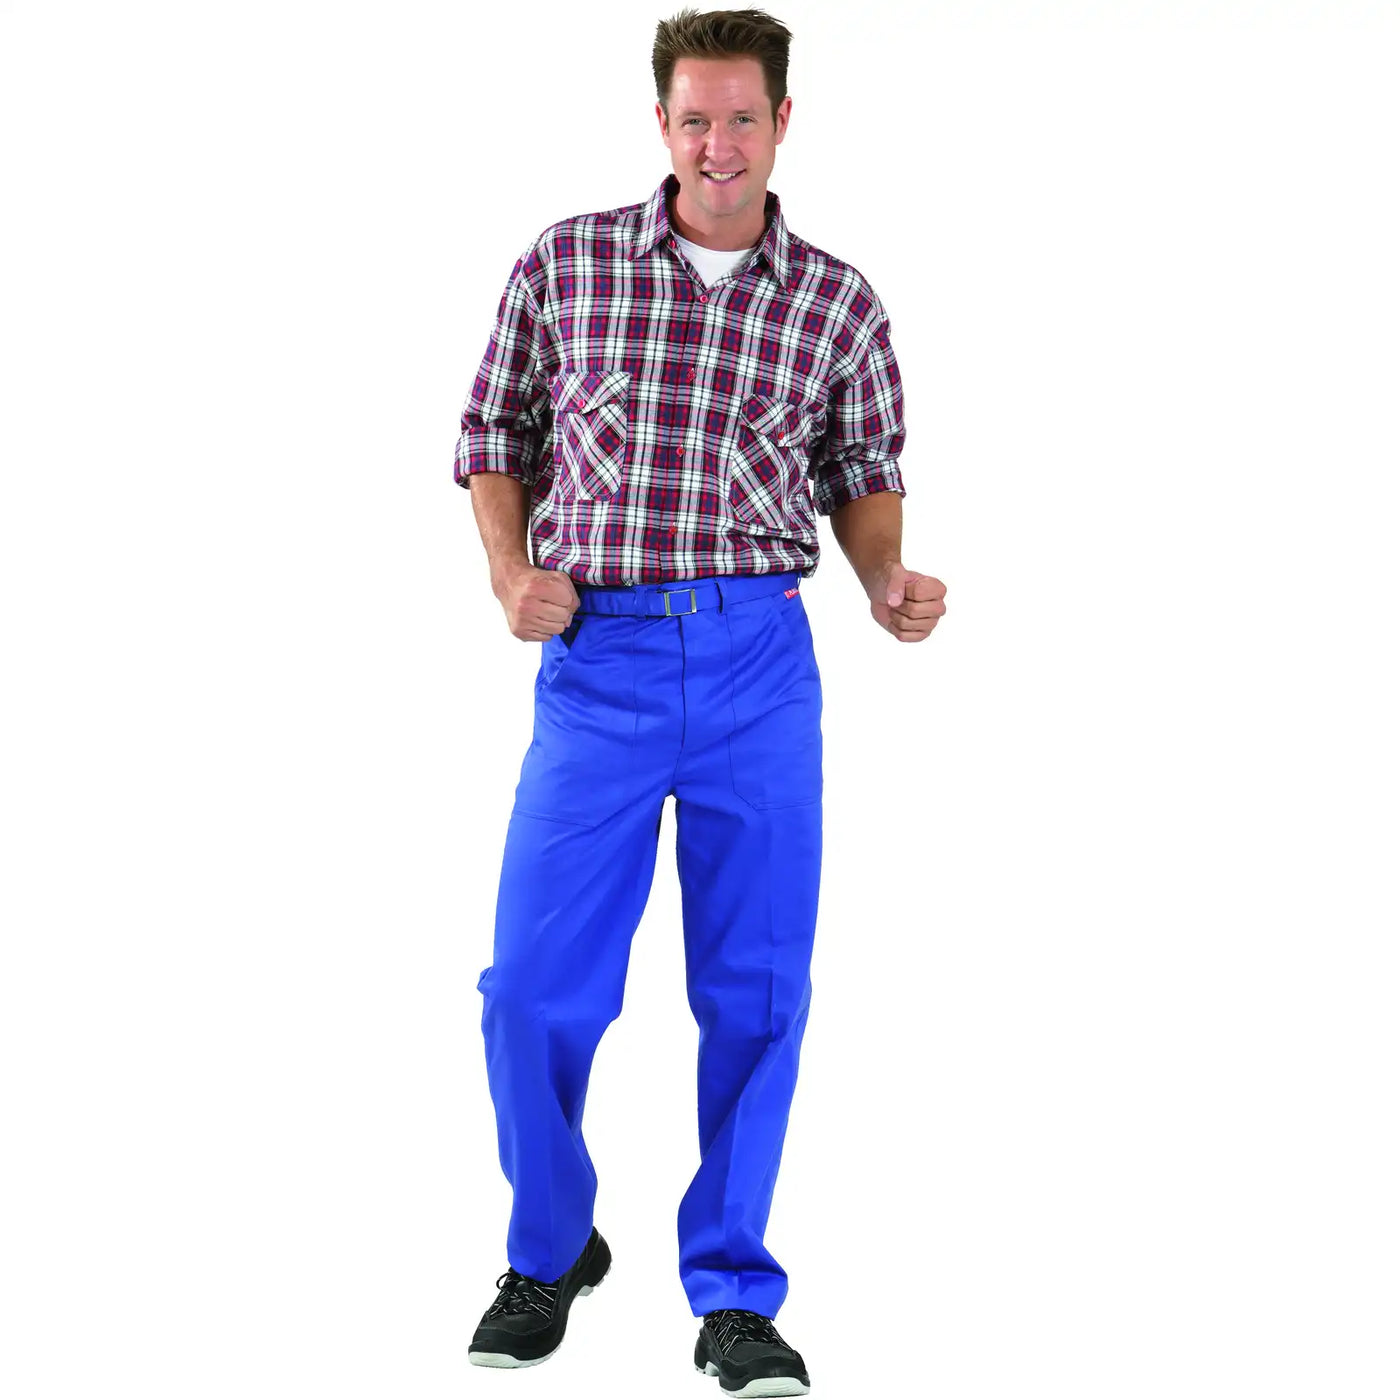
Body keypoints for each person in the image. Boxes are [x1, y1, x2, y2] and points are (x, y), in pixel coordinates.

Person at [452, 8, 946, 1395]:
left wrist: (884, 576)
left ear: (782, 122)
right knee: (530, 988)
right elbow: (494, 431)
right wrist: (509, 572)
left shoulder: (837, 301)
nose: (716, 144)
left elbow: (865, 469)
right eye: (693, 118)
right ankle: (551, 1249)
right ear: (659, 123)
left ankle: (732, 1289)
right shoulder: (567, 262)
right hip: (598, 663)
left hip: (757, 665)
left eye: (741, 117)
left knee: (757, 991)